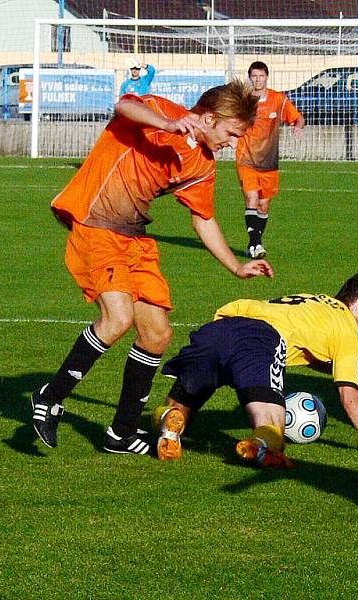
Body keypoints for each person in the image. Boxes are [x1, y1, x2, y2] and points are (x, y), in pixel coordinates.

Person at [31, 79, 274, 456]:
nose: (233, 143)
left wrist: (236, 266)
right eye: (231, 133)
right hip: (95, 224)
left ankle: (122, 432)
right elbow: (124, 105)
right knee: (117, 318)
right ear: (209, 118)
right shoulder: (161, 112)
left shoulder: (202, 165)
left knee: (157, 334)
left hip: (136, 239)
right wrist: (167, 125)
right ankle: (50, 396)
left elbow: (203, 220)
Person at [153, 272, 358, 467]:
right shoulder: (348, 330)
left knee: (180, 408)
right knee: (272, 428)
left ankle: (166, 423)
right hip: (259, 341)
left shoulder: (316, 301)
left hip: (218, 330)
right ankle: (260, 444)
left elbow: (308, 351)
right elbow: (349, 396)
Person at [235, 60, 305, 259]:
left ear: (267, 77)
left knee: (263, 205)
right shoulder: (244, 100)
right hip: (246, 157)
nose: (257, 80)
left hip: (269, 162)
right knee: (251, 198)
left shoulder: (278, 99)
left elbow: (298, 117)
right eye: (254, 76)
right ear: (250, 78)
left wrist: (298, 126)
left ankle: (255, 242)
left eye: (261, 76)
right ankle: (255, 243)